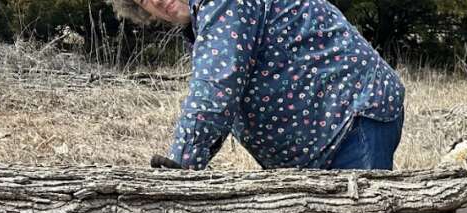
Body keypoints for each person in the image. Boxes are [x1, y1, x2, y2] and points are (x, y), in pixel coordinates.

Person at [110, 0, 405, 171]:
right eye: (142, 0)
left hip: (351, 117)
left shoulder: (220, 2)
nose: (156, 0)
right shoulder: (201, 22)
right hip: (321, 137)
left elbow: (216, 89)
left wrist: (181, 167)